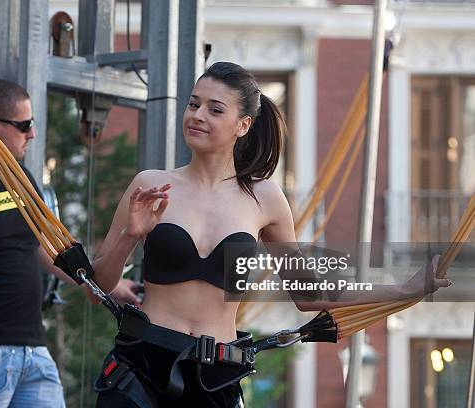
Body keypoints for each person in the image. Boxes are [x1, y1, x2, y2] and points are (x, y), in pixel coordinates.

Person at [89, 62, 451, 407]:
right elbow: (98, 287)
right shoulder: (150, 185)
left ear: (243, 125)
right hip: (141, 363)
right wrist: (129, 235)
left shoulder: (264, 198)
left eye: (215, 109)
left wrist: (405, 289)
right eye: (193, 104)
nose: (197, 115)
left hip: (215, 376)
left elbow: (310, 293)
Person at [0, 78, 139, 408]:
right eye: (25, 125)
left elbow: (41, 249)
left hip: (33, 353)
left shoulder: (20, 179)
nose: (32, 134)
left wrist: (106, 286)